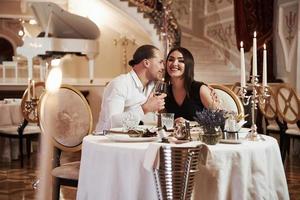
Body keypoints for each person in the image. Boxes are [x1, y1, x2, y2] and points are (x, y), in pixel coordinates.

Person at [95, 45, 166, 131]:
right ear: (146, 63)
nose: (163, 67)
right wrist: (145, 109)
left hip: (137, 139)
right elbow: (111, 124)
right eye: (160, 62)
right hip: (108, 141)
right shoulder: (120, 84)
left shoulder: (153, 86)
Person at [164, 47, 218, 123]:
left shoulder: (200, 89)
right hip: (174, 135)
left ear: (188, 65)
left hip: (200, 135)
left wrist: (190, 124)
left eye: (181, 61)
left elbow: (219, 120)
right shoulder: (165, 92)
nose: (174, 63)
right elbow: (163, 124)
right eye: (171, 60)